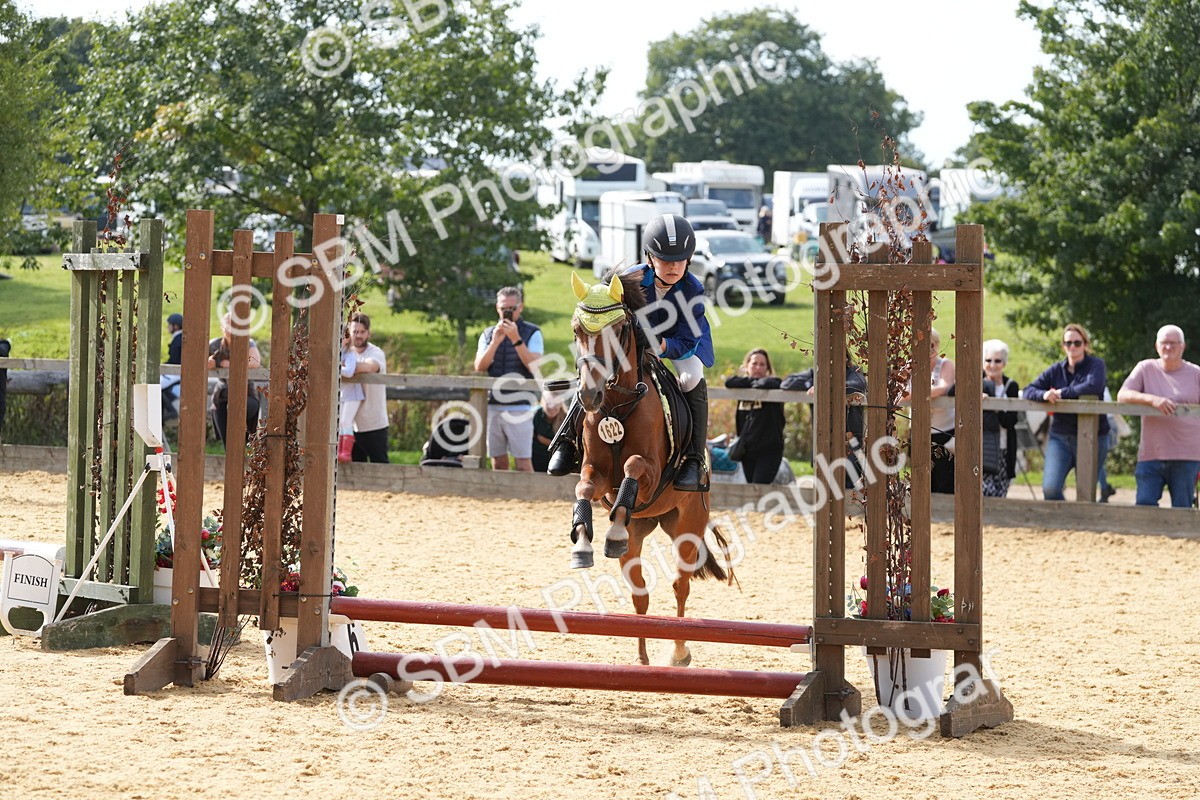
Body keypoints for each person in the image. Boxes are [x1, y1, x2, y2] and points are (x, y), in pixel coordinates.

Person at [547, 213, 714, 491]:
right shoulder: (628, 280)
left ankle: (694, 458)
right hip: (635, 342)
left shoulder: (693, 290)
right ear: (649, 258)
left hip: (681, 345)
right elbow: (605, 311)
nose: (673, 267)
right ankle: (567, 440)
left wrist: (661, 347)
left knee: (691, 378)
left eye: (680, 260)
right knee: (595, 373)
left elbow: (687, 340)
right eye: (665, 260)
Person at [1021, 323, 1111, 501]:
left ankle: (1084, 525)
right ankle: (1064, 521)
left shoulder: (1096, 365)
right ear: (1063, 346)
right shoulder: (1056, 370)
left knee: (1086, 492)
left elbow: (1093, 385)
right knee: (1050, 489)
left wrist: (1061, 393)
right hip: (1060, 436)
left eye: (1077, 343)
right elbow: (1028, 390)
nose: (1072, 347)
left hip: (1094, 436)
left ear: (1085, 344)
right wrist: (1044, 394)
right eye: (1068, 343)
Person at [1117, 324, 1200, 508]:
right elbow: (1123, 395)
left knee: (1182, 508)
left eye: (1173, 343)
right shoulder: (1145, 368)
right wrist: (1152, 400)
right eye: (1164, 343)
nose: (1168, 347)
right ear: (1156, 346)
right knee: (1144, 504)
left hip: (1187, 455)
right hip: (1151, 454)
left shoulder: (1196, 373)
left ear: (1183, 346)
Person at [474, 286, 544, 472]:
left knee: (523, 462)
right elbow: (480, 366)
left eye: (512, 308)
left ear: (520, 308)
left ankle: (529, 499)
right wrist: (495, 341)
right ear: (497, 307)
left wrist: (516, 339)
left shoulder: (532, 332)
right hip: (492, 405)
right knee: (498, 461)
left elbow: (534, 365)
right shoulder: (488, 333)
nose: (507, 312)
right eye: (504, 308)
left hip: (520, 405)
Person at [780, 353, 868, 487]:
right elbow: (787, 382)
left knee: (850, 495)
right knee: (823, 496)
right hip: (823, 444)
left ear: (845, 357)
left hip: (850, 446)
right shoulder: (815, 373)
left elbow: (856, 385)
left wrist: (823, 388)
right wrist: (814, 383)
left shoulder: (853, 372)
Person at [905, 328, 956, 494]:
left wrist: (916, 395)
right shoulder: (909, 367)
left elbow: (944, 387)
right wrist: (925, 394)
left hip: (944, 432)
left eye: (931, 345)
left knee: (944, 480)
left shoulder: (946, 364)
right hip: (919, 430)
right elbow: (899, 394)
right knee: (921, 479)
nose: (927, 350)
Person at [725, 348, 786, 484]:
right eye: (754, 363)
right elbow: (729, 381)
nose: (758, 367)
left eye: (762, 364)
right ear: (746, 366)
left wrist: (750, 382)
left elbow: (774, 382)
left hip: (769, 451)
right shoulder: (743, 387)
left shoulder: (772, 386)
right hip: (747, 451)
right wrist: (750, 382)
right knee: (751, 489)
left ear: (768, 368)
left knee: (758, 489)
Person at [207, 314, 262, 448]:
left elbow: (255, 362)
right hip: (223, 395)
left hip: (247, 394)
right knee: (228, 443)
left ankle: (244, 454)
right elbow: (200, 361)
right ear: (222, 328)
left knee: (235, 409)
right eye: (228, 326)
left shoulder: (248, 343)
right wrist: (212, 362)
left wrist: (229, 364)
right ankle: (231, 461)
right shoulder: (214, 345)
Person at [345, 312, 390, 463]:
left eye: (362, 332)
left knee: (380, 466)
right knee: (354, 472)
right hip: (350, 425)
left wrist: (343, 367)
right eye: (355, 331)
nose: (358, 335)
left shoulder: (375, 352)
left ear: (368, 333)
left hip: (374, 423)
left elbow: (370, 367)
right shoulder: (345, 353)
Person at [981, 339, 1020, 498]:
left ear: (1004, 363)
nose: (992, 365)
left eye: (997, 361)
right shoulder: (975, 381)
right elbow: (952, 393)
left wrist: (993, 405)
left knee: (1000, 492)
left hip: (1004, 447)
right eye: (988, 360)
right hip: (983, 446)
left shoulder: (1011, 386)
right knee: (984, 491)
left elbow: (1011, 420)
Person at [337, 325, 366, 463]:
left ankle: (346, 452)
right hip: (343, 393)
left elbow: (349, 371)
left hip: (353, 393)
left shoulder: (350, 354)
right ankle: (339, 449)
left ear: (347, 339)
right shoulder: (338, 353)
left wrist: (336, 367)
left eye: (342, 336)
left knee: (346, 421)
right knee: (340, 422)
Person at [531, 390, 566, 473]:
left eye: (555, 403)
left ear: (560, 404)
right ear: (543, 402)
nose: (552, 407)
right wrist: (537, 437)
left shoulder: (565, 418)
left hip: (556, 458)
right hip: (536, 456)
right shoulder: (536, 415)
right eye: (548, 403)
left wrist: (546, 441)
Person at [161, 313, 183, 421]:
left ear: (176, 326)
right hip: (175, 370)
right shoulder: (179, 338)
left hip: (176, 371)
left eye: (170, 324)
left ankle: (171, 410)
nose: (168, 327)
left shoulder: (178, 339)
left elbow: (174, 360)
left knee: (157, 384)